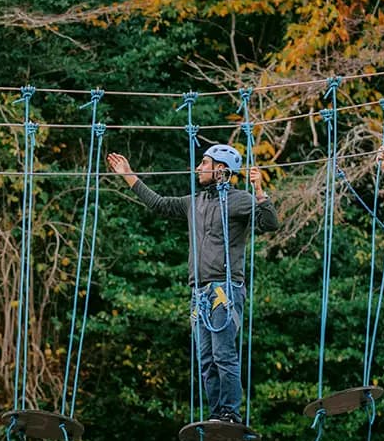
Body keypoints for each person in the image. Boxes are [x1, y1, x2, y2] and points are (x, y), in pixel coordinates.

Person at [106, 145, 279, 424]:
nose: (198, 168)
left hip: (225, 289)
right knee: (206, 359)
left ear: (221, 169)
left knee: (223, 355)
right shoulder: (194, 202)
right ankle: (217, 415)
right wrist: (128, 175)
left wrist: (260, 192)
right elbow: (159, 204)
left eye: (204, 163)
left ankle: (230, 413)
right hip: (200, 293)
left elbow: (270, 223)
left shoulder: (239, 200)